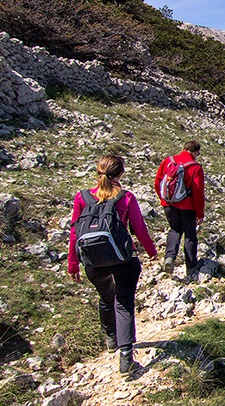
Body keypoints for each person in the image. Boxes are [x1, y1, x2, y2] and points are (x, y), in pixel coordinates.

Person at [68, 155, 157, 374]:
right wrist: (151, 251)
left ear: (98, 172)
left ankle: (111, 339)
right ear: (120, 174)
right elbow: (139, 229)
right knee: (124, 302)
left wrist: (73, 264)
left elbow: (73, 233)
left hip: (93, 262)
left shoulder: (82, 198)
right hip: (123, 259)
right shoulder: (126, 198)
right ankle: (126, 357)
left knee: (105, 297)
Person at [154, 141, 205, 278]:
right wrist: (199, 213)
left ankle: (169, 258)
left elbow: (157, 182)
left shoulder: (168, 161)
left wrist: (163, 200)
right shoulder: (195, 167)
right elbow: (198, 192)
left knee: (174, 229)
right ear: (195, 152)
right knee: (190, 234)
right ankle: (191, 267)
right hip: (187, 207)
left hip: (168, 204)